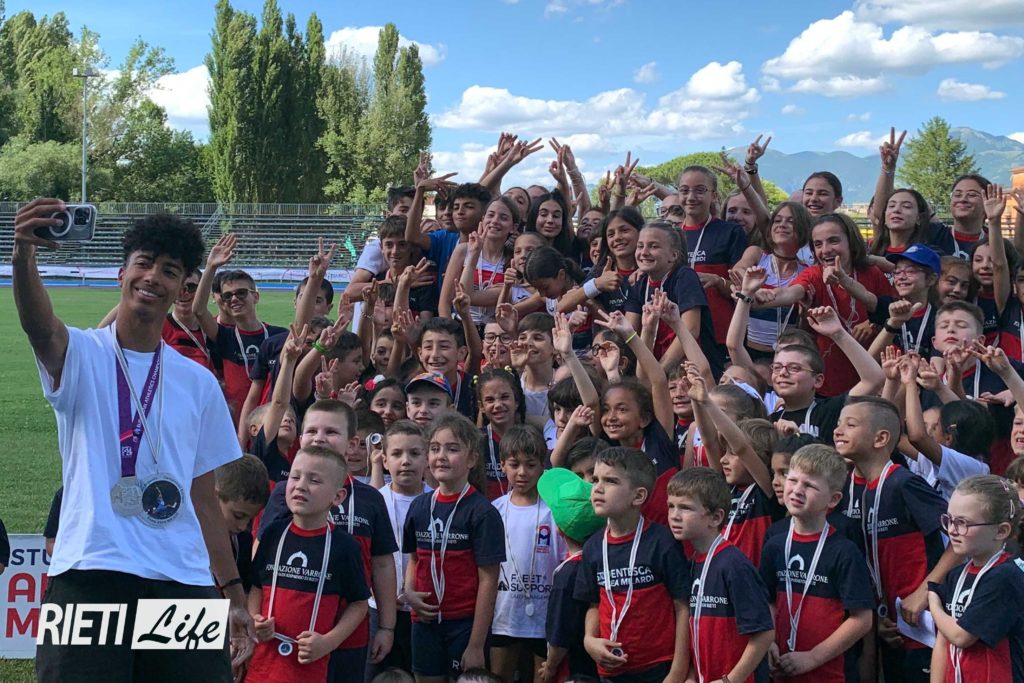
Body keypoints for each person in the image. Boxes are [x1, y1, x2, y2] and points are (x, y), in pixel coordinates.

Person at [15, 199, 254, 681]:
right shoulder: (81, 353)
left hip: (181, 578)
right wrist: (23, 254)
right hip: (90, 571)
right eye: (144, 263)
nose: (153, 277)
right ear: (121, 273)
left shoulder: (199, 382)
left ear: (182, 288)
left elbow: (204, 499)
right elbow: (40, 329)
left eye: (169, 271)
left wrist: (231, 591)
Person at [834, 396, 957, 682]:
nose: (838, 431)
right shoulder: (845, 488)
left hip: (920, 624)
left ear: (881, 438)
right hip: (881, 624)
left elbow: (961, 540)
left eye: (850, 424)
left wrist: (925, 591)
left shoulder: (904, 483)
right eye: (838, 424)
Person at [246, 446, 370, 683]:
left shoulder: (345, 547)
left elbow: (359, 604)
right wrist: (255, 618)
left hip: (308, 671)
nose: (301, 485)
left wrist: (329, 642)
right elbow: (256, 588)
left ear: (337, 497)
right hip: (261, 668)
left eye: (314, 480)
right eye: (295, 477)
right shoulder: (272, 534)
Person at [403, 413, 506, 681]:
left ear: (472, 459)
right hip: (424, 621)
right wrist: (410, 592)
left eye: (452, 449)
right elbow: (414, 560)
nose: (441, 456)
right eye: (435, 448)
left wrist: (476, 645)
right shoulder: (419, 506)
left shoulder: (482, 513)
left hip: (465, 624)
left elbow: (489, 580)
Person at [574, 447, 691, 682]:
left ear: (638, 496)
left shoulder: (663, 542)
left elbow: (683, 607)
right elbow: (594, 603)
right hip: (611, 669)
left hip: (658, 668)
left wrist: (678, 671)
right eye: (596, 479)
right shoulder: (593, 546)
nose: (597, 488)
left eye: (611, 481)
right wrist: (589, 640)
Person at [759, 445, 874, 682]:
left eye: (810, 485)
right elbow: (768, 600)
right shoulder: (774, 544)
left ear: (833, 499)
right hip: (783, 669)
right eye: (792, 480)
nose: (797, 490)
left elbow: (862, 620)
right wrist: (768, 641)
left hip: (830, 674)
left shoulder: (844, 552)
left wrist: (812, 657)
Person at [665, 467, 774, 683]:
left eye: (685, 508)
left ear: (716, 517)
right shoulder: (693, 562)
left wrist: (730, 680)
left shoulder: (734, 565)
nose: (674, 516)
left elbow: (764, 634)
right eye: (671, 506)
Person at [928, 475, 1024, 682]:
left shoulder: (1004, 577)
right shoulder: (957, 575)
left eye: (963, 523)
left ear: (1001, 531)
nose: (952, 530)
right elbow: (943, 642)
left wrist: (934, 603)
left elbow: (961, 636)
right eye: (949, 520)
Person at [490, 425, 566, 682]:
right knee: (498, 676)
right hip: (504, 614)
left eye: (531, 465)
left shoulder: (554, 512)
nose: (522, 472)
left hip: (545, 616)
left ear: (542, 466)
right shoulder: (494, 511)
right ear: (502, 465)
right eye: (514, 464)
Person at [192, 234, 287, 418]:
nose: (234, 299)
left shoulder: (278, 336)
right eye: (227, 296)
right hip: (234, 422)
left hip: (271, 421)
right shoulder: (225, 336)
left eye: (241, 293)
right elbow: (199, 311)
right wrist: (211, 267)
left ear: (256, 297)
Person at [366, 420, 432, 682]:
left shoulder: (438, 501)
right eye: (396, 454)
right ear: (384, 460)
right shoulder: (374, 502)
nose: (406, 461)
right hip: (379, 607)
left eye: (414, 453)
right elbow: (365, 555)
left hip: (423, 608)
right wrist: (379, 592)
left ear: (427, 458)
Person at [536, 467, 604, 682]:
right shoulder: (603, 560)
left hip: (572, 668)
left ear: (559, 529)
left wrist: (551, 666)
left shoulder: (567, 574)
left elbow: (560, 631)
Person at [214, 454, 271, 591]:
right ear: (214, 497)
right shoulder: (183, 538)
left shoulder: (243, 542)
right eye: (238, 516)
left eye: (250, 520)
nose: (243, 527)